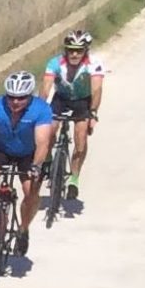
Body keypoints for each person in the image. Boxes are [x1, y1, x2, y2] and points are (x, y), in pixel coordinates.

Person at [0, 71, 57, 251]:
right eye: (11, 97)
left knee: (31, 191)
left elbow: (42, 142)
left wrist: (37, 165)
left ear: (30, 96)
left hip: (28, 152)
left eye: (21, 98)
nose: (15, 102)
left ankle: (23, 229)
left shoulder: (40, 109)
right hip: (2, 148)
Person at [38, 29, 106, 195]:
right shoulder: (55, 63)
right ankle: (48, 159)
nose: (74, 54)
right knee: (48, 130)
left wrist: (93, 113)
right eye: (70, 50)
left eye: (79, 51)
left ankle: (74, 178)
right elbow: (46, 88)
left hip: (83, 101)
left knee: (80, 140)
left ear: (85, 51)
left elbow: (97, 90)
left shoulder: (94, 64)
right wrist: (39, 109)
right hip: (61, 99)